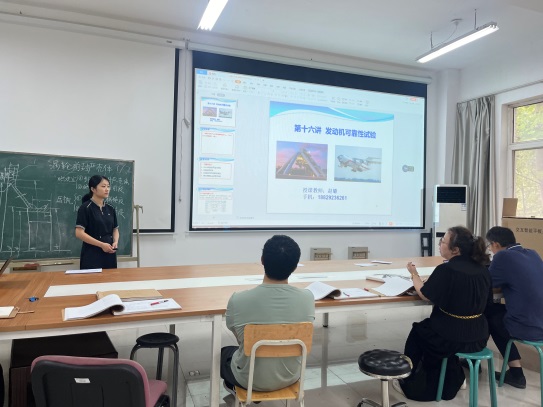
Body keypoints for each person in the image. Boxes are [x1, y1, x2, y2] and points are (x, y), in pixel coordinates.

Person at [397, 226, 492, 401]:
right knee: (430, 329)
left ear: (455, 250)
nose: (440, 244)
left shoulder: (447, 269)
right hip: (479, 336)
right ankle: (456, 376)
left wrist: (414, 274)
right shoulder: (483, 269)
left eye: (443, 241)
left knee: (418, 331)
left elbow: (425, 294)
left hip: (452, 337)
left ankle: (410, 379)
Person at [221, 235, 315, 396]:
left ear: (262, 260)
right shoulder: (307, 298)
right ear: (295, 267)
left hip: (248, 380)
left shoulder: (238, 299)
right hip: (291, 377)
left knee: (224, 353)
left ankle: (238, 389)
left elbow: (238, 337)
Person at [485, 226, 543, 389]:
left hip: (528, 326)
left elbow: (486, 283)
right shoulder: (532, 253)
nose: (490, 250)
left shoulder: (502, 256)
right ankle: (515, 371)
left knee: (490, 315)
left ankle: (516, 373)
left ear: (495, 244)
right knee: (496, 312)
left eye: (489, 246)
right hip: (540, 320)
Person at [75, 175, 119, 270]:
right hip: (92, 254)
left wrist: (115, 242)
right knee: (92, 279)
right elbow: (79, 233)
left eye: (108, 186)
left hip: (109, 253)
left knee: (111, 278)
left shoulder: (111, 208)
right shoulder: (85, 208)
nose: (107, 189)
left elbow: (115, 229)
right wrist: (101, 245)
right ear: (93, 189)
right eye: (103, 186)